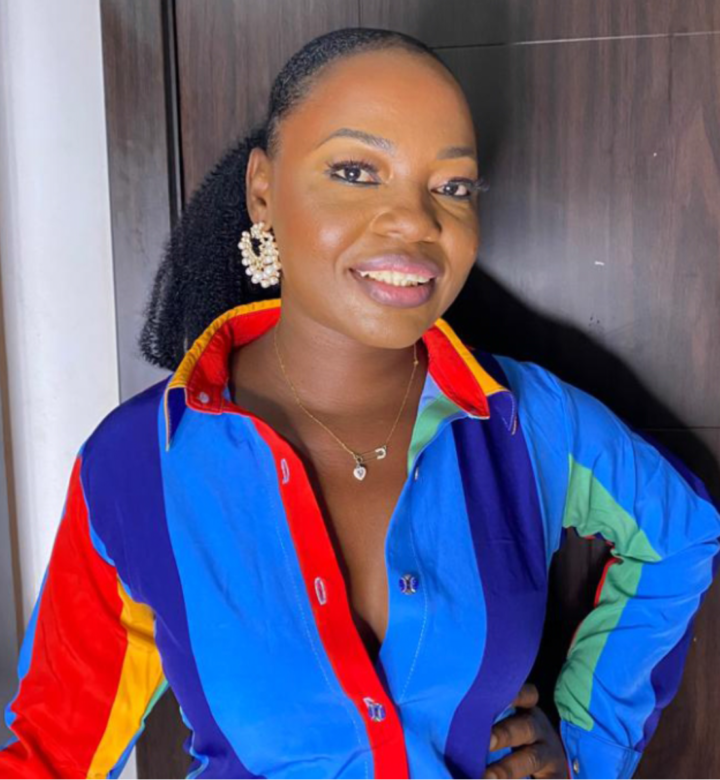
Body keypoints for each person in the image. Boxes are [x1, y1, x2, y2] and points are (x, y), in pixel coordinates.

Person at [1, 26, 719, 780]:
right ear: (263, 191)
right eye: (355, 171)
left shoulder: (525, 424)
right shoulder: (139, 464)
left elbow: (680, 536)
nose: (416, 221)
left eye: (453, 186)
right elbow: (52, 752)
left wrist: (586, 749)